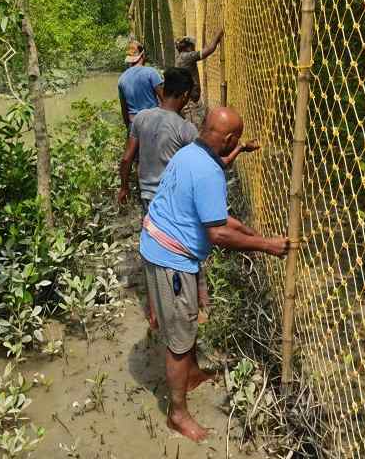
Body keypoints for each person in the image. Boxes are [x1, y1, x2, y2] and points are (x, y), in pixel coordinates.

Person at [140, 106, 289, 442]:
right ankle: (177, 413)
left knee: (188, 319)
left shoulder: (189, 152)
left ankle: (191, 374)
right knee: (178, 342)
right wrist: (266, 246)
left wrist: (253, 235)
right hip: (170, 258)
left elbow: (218, 218)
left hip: (161, 242)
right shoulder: (208, 172)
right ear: (232, 139)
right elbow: (219, 234)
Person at [118, 68, 259, 330]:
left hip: (150, 199)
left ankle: (155, 313)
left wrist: (124, 187)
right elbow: (216, 162)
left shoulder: (142, 119)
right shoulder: (185, 129)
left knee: (156, 253)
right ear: (183, 95)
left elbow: (127, 158)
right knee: (187, 254)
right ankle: (199, 309)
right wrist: (240, 148)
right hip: (176, 200)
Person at [174, 31, 224, 129]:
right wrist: (218, 35)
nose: (193, 49)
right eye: (192, 46)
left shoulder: (180, 57)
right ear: (188, 47)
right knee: (194, 130)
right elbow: (209, 50)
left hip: (190, 101)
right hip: (190, 103)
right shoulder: (186, 57)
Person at [118, 40, 163, 131]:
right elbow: (164, 99)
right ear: (143, 55)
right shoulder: (151, 72)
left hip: (134, 124)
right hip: (152, 123)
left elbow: (124, 109)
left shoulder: (121, 79)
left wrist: (129, 128)